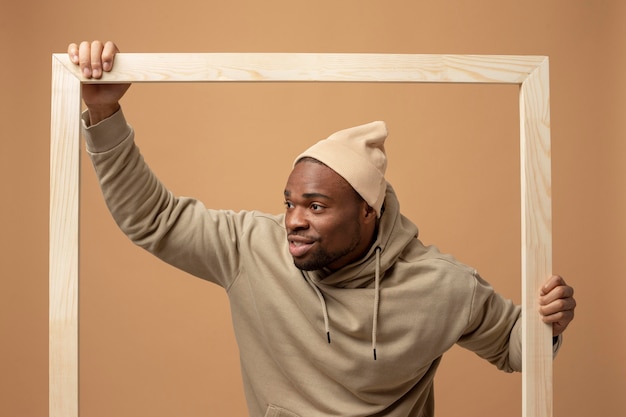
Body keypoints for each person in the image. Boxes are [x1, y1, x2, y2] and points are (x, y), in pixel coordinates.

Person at [68, 41, 576, 417]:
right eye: (289, 203)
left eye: (315, 205)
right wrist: (103, 110)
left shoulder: (444, 286)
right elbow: (153, 219)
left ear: (368, 212)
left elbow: (515, 347)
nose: (293, 220)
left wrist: (546, 323)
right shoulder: (251, 248)